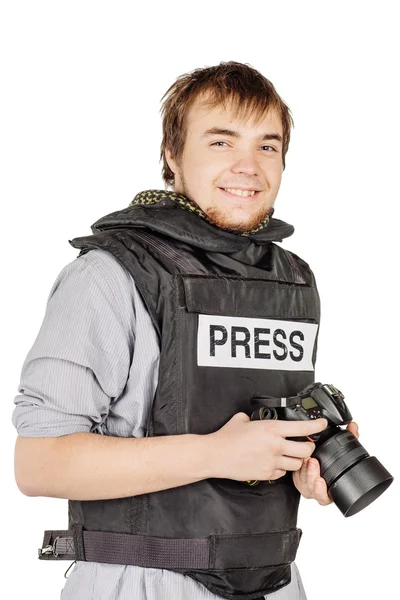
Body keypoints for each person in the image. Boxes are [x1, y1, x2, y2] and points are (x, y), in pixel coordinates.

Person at [12, 61, 359, 600]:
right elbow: (38, 463)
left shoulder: (290, 278)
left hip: (277, 582)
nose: (249, 166)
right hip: (141, 583)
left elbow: (252, 432)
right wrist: (218, 454)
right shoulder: (110, 274)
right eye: (221, 142)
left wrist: (301, 462)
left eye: (267, 146)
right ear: (172, 157)